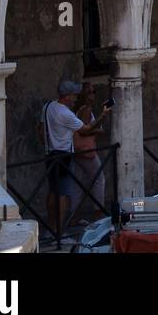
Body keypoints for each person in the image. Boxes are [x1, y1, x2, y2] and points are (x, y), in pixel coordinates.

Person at [42, 79, 111, 239]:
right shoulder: (65, 113)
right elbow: (87, 129)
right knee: (64, 194)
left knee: (53, 191)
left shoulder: (48, 107)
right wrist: (103, 116)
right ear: (67, 96)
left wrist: (49, 143)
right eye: (73, 94)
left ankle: (51, 227)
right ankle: (58, 233)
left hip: (50, 154)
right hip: (63, 155)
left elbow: (40, 130)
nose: (75, 96)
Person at [66, 82, 107, 224]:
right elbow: (84, 131)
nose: (92, 95)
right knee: (99, 179)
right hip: (86, 150)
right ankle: (98, 212)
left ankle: (74, 216)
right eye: (89, 92)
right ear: (83, 95)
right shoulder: (86, 109)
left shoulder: (77, 108)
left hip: (76, 150)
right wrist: (99, 127)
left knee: (78, 183)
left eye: (93, 92)